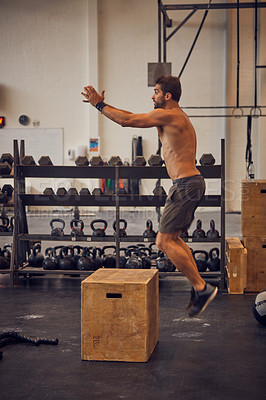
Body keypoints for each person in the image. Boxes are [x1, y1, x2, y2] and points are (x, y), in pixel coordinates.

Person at [81, 76, 218, 317]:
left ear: (167, 96)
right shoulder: (172, 116)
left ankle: (201, 287)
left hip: (186, 184)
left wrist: (98, 105)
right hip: (186, 184)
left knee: (163, 241)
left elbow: (126, 120)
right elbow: (130, 115)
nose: (152, 95)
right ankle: (199, 287)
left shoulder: (171, 115)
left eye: (155, 91)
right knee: (172, 238)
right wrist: (107, 104)